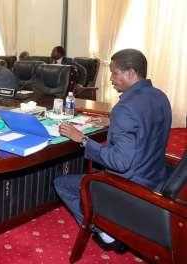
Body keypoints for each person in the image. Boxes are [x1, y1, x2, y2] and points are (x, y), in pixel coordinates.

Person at [54, 49, 172, 253]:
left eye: (115, 73)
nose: (110, 79)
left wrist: (82, 139)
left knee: (61, 183)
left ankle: (106, 230)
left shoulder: (125, 108)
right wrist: (112, 121)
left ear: (131, 73)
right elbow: (146, 126)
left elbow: (120, 162)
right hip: (157, 178)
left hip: (129, 185)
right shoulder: (160, 97)